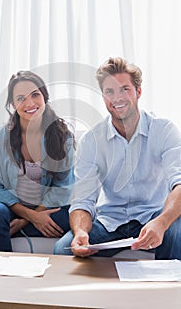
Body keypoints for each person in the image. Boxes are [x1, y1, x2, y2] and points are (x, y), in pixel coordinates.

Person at [54, 57, 181, 259]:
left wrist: (162, 222)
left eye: (125, 89)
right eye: (109, 92)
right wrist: (81, 232)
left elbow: (179, 184)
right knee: (63, 248)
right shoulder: (91, 142)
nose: (117, 98)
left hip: (154, 216)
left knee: (176, 232)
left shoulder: (164, 130)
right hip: (110, 222)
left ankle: (166, 290)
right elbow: (82, 200)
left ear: (138, 92)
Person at [0, 71, 75, 251]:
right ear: (12, 104)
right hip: (7, 207)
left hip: (44, 208)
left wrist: (25, 221)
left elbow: (63, 188)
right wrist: (30, 217)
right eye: (21, 98)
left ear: (44, 97)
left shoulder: (63, 138)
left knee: (66, 218)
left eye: (35, 95)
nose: (30, 103)